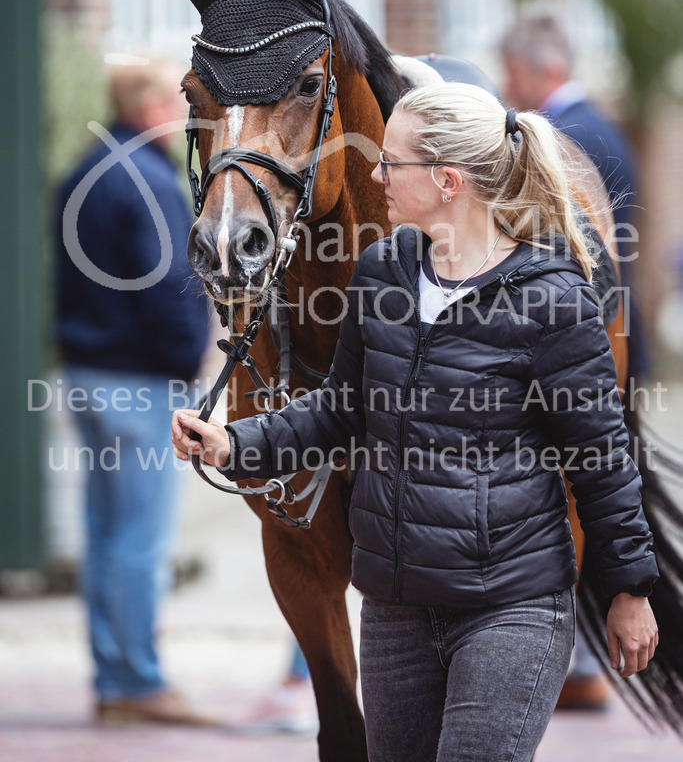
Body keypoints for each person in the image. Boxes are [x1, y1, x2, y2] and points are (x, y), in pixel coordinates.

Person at [172, 83, 659, 761]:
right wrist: (234, 443)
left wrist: (630, 588)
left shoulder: (553, 299)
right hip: (394, 613)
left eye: (390, 162)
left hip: (509, 607)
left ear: (448, 181)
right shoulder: (383, 272)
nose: (375, 176)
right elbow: (342, 406)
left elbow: (600, 458)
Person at [500, 3, 647, 708]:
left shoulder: (567, 137)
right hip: (604, 334)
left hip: (584, 342)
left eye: (513, 72)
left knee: (584, 489)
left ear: (545, 68)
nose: (509, 87)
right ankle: (583, 659)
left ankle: (579, 659)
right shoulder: (601, 126)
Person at [57, 53, 211, 725]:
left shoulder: (83, 171)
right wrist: (191, 362)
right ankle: (137, 684)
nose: (183, 117)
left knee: (104, 536)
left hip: (88, 375)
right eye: (177, 103)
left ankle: (114, 677)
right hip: (138, 384)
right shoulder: (149, 179)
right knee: (140, 542)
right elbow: (168, 286)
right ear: (150, 107)